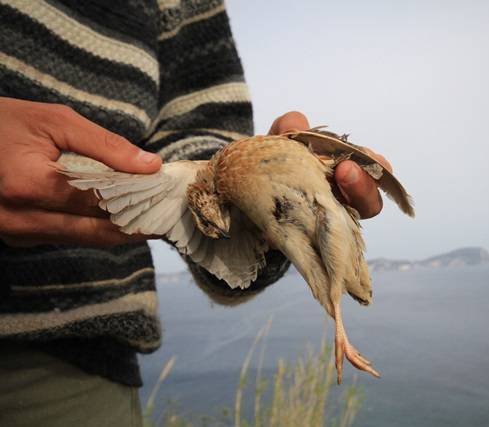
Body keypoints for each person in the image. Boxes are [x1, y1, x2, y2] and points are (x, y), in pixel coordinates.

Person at [0, 1, 389, 426]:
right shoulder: (200, 190)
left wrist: (263, 223)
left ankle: (339, 325)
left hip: (74, 358)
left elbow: (200, 130)